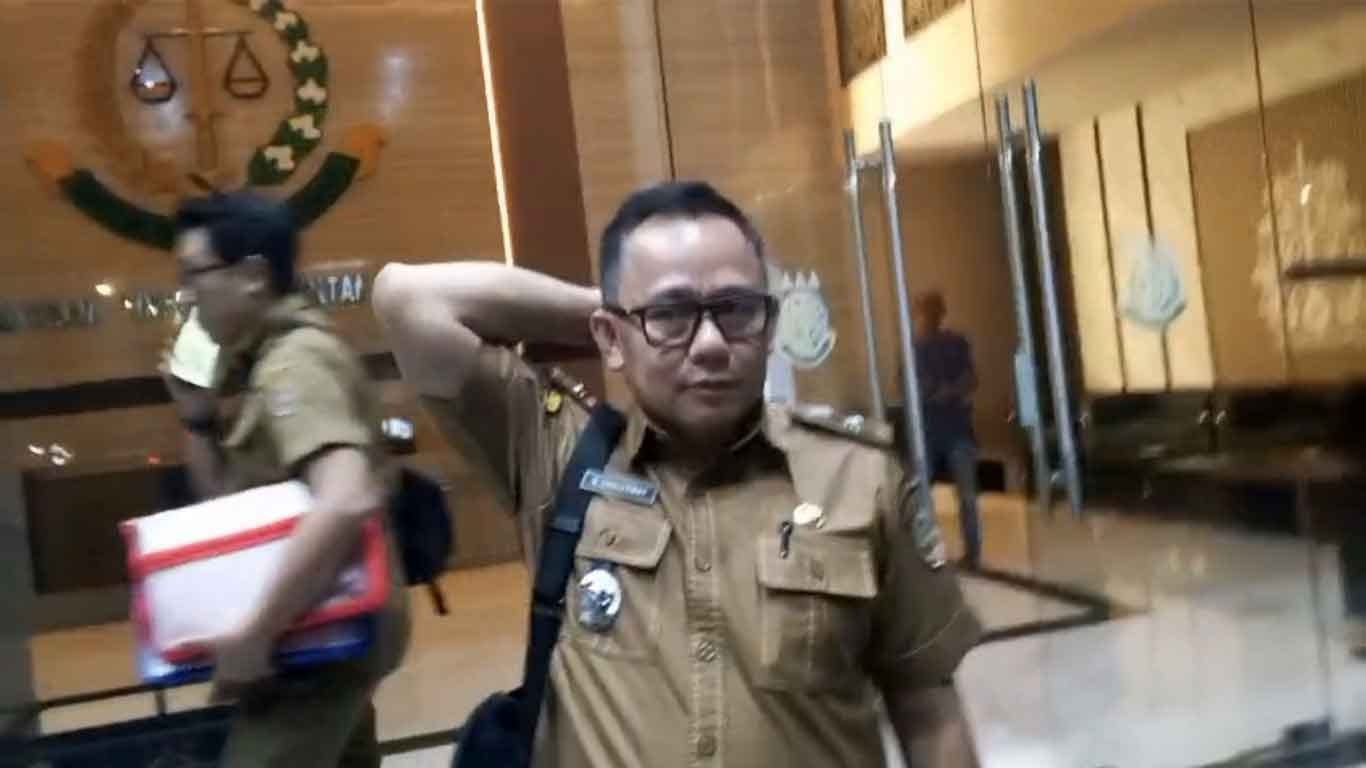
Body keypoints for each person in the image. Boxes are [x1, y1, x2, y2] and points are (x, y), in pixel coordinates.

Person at [373, 180, 982, 767]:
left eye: (735, 309)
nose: (711, 344)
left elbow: (929, 709)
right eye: (673, 313)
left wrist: (652, 321)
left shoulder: (859, 475)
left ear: (769, 324)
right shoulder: (556, 451)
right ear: (610, 337)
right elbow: (407, 301)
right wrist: (619, 318)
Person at [161, 191, 410, 768]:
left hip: (323, 631)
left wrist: (256, 632)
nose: (186, 294)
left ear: (253, 275)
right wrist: (197, 418)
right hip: (315, 629)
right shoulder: (262, 365)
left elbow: (346, 498)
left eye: (195, 274)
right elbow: (223, 506)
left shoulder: (295, 363)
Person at [910, 290, 982, 569]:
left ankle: (964, 553)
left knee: (958, 495)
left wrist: (942, 391)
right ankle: (956, 552)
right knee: (953, 496)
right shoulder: (921, 348)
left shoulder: (942, 346)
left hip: (945, 428)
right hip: (939, 428)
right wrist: (947, 391)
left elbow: (970, 379)